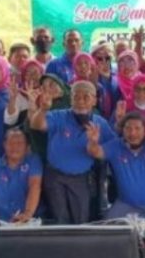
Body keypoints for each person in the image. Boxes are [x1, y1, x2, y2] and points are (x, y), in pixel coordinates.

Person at [28, 81, 116, 224]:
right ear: (71, 99)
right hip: (55, 176)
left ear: (94, 100)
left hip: (81, 179)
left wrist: (95, 144)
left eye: (86, 97)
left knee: (81, 220)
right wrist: (43, 109)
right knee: (60, 219)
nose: (80, 101)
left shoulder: (100, 123)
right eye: (76, 97)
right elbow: (37, 125)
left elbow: (114, 148)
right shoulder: (59, 116)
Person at [87, 112, 145, 219]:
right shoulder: (115, 146)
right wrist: (93, 142)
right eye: (128, 128)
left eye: (137, 128)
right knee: (109, 226)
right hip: (127, 204)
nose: (132, 133)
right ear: (122, 130)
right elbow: (96, 152)